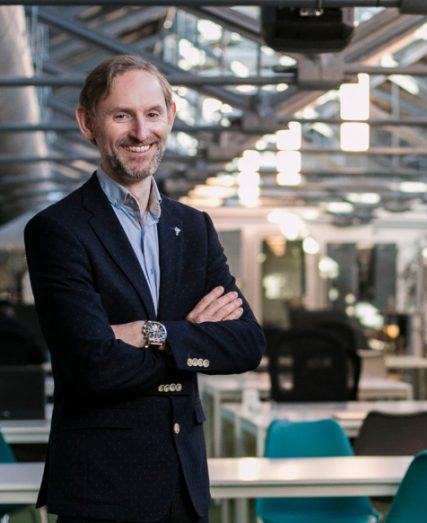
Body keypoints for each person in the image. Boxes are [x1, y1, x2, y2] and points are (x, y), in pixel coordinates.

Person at [24, 55, 266, 522]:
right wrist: (192, 336)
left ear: (170, 116)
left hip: (185, 484)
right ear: (87, 122)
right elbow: (92, 366)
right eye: (122, 115)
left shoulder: (193, 227)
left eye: (152, 114)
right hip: (103, 490)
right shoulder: (58, 230)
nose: (141, 132)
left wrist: (150, 332)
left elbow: (246, 344)